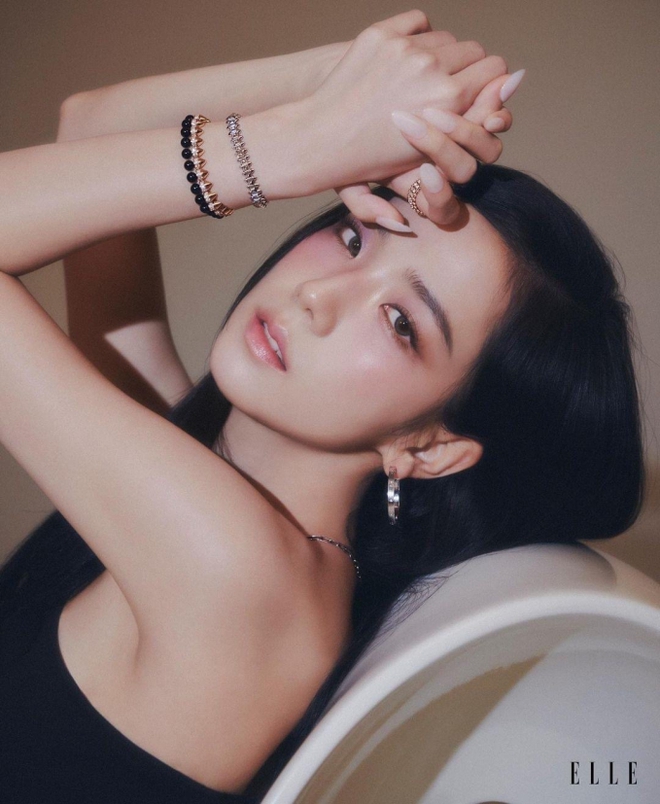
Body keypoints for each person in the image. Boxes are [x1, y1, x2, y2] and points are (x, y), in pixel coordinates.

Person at [0, 8, 644, 803]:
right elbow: (96, 124)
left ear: (430, 448)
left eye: (402, 323)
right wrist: (342, 87)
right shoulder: (202, 483)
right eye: (356, 238)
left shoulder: (239, 576)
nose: (319, 297)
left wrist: (296, 148)